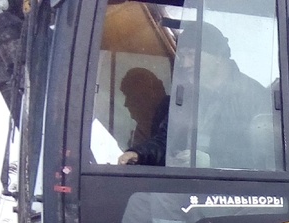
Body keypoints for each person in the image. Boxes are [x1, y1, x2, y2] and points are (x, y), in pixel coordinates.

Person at [118, 21, 278, 170]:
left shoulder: (253, 97)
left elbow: (266, 157)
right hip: (184, 183)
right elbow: (167, 139)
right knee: (139, 199)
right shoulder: (187, 97)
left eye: (192, 55)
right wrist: (139, 154)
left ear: (217, 57)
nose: (185, 64)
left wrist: (211, 162)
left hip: (227, 192)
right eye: (183, 56)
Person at [118, 68, 168, 162]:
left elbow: (164, 143)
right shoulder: (141, 128)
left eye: (132, 96)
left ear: (152, 94)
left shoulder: (173, 115)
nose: (126, 103)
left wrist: (137, 154)